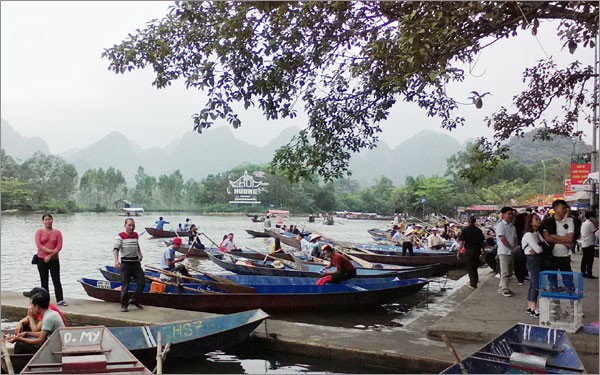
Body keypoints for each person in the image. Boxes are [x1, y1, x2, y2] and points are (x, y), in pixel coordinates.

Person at [539, 199, 575, 290]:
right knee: (552, 280)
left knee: (568, 279)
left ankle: (570, 297)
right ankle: (553, 300)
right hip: (551, 255)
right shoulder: (547, 222)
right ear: (555, 209)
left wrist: (555, 236)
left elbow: (570, 238)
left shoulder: (569, 221)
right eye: (562, 208)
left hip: (564, 255)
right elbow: (547, 238)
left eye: (566, 208)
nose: (565, 210)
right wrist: (564, 242)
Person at [34, 213, 67, 306]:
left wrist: (50, 255)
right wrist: (49, 253)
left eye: (49, 219)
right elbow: (39, 245)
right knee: (44, 280)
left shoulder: (57, 233)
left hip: (54, 260)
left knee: (56, 280)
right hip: (41, 259)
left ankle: (60, 299)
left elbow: (59, 246)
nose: (48, 221)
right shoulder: (39, 232)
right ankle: (45, 301)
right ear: (43, 221)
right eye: (46, 220)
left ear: (52, 220)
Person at [114, 218, 145, 312]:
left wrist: (140, 254)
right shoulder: (120, 236)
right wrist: (116, 261)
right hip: (126, 264)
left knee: (142, 282)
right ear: (125, 226)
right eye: (129, 225)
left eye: (133, 225)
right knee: (125, 285)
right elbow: (116, 249)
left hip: (135, 263)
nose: (131, 227)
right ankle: (124, 305)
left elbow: (137, 245)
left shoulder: (136, 235)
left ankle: (135, 299)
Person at [522, 213, 544, 318]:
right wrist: (539, 247)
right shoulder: (529, 235)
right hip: (532, 260)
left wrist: (538, 247)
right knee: (536, 284)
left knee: (533, 283)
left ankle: (530, 306)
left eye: (539, 219)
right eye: (536, 219)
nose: (539, 220)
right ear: (530, 222)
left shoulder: (536, 233)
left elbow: (542, 246)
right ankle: (533, 308)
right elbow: (539, 249)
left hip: (536, 260)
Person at [458, 216, 485, 289]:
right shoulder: (478, 230)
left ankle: (473, 284)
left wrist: (459, 252)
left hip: (469, 251)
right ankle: (475, 280)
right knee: (475, 266)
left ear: (469, 221)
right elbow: (482, 242)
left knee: (470, 267)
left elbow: (461, 242)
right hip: (477, 250)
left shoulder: (465, 230)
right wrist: (483, 251)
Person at [496, 206, 518, 297]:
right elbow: (502, 238)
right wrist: (510, 248)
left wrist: (515, 247)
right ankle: (505, 289)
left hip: (511, 251)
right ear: (503, 214)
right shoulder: (500, 225)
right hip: (503, 251)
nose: (510, 216)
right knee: (505, 271)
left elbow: (515, 238)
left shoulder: (512, 226)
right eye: (509, 214)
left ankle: (502, 287)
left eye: (511, 214)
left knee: (509, 271)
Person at [580, 211, 599, 278]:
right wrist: (597, 224)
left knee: (584, 259)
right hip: (589, 244)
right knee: (590, 260)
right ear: (591, 217)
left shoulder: (584, 223)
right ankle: (589, 273)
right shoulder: (590, 224)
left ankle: (583, 272)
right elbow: (596, 231)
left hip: (584, 243)